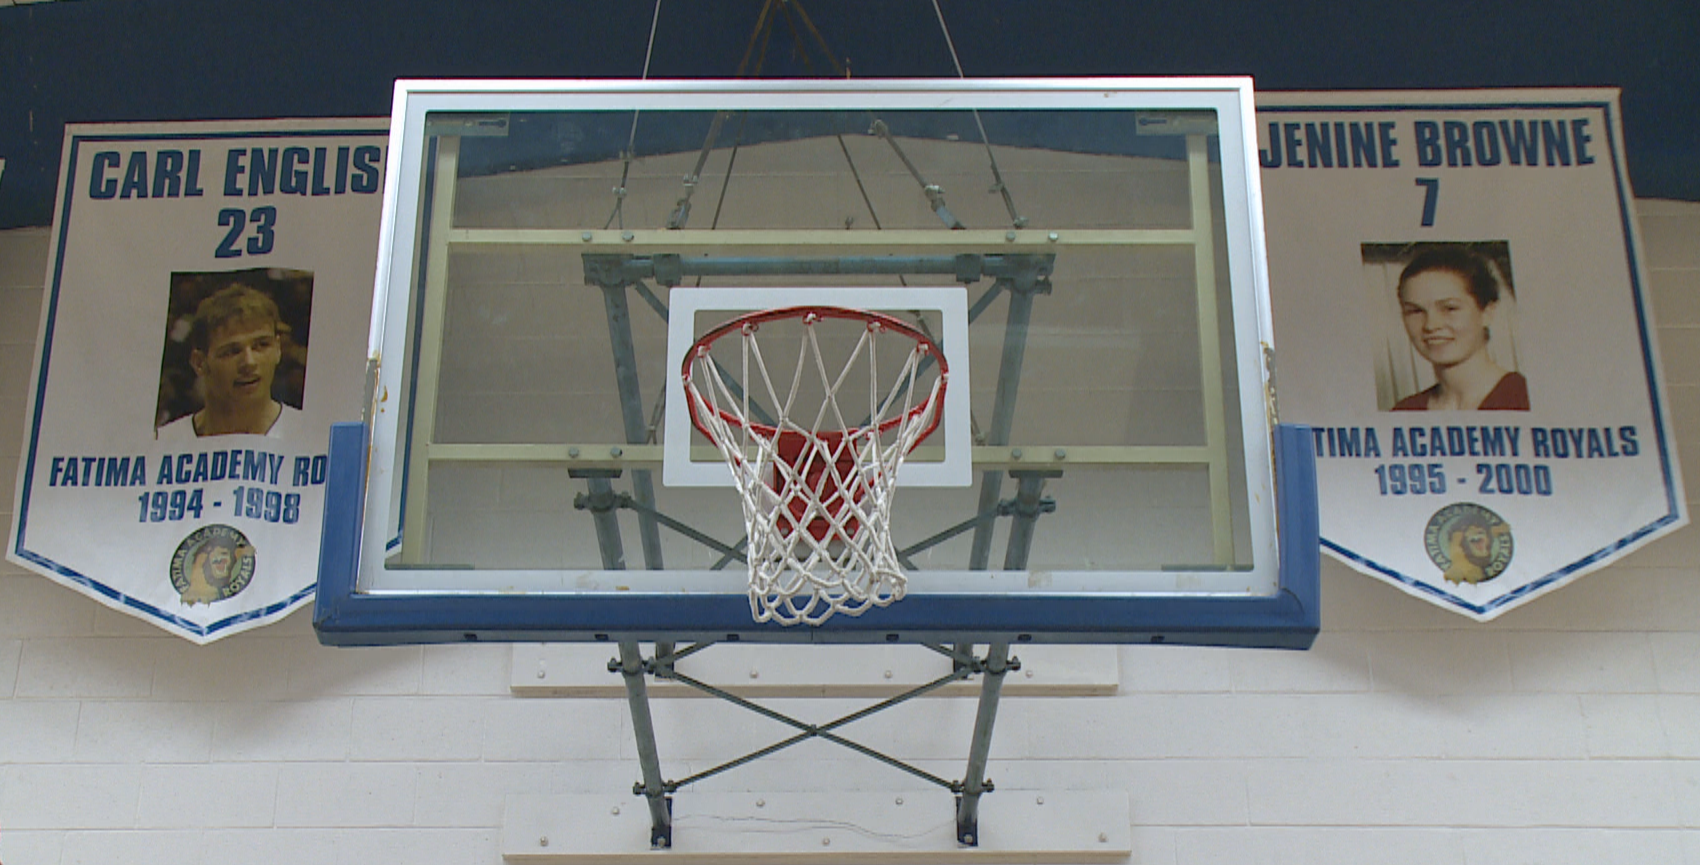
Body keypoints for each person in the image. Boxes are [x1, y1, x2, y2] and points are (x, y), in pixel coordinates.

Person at [1390, 246, 1528, 411]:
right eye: (1415, 311)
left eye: (1450, 308)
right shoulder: (1404, 411)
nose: (1431, 325)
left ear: (1487, 313)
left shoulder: (1524, 398)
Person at [156, 285, 303, 439]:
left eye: (262, 345)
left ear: (278, 349)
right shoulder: (164, 443)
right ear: (199, 363)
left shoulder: (311, 436)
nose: (249, 362)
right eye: (232, 351)